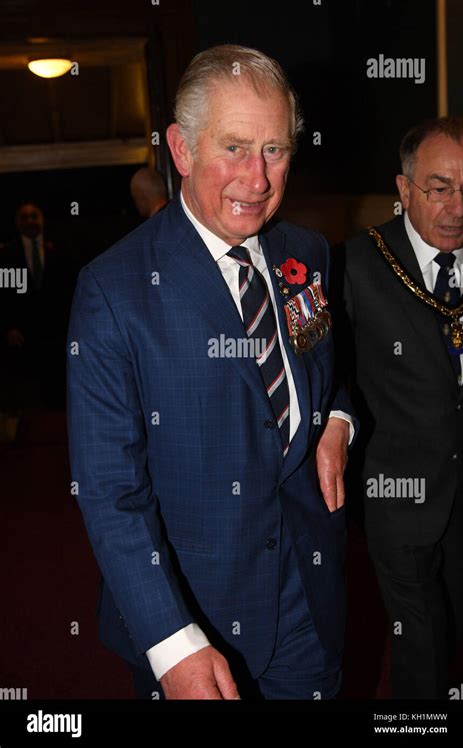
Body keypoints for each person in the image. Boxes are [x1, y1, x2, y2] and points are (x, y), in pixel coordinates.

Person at [67, 44, 354, 700]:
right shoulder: (113, 291)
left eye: (275, 150)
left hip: (310, 600)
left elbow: (327, 369)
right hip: (198, 620)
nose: (257, 179)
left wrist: (336, 418)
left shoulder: (305, 252)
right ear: (182, 149)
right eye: (234, 148)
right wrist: (173, 643)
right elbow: (109, 491)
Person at [336, 117, 463, 699]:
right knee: (419, 638)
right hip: (397, 496)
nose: (457, 207)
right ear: (403, 188)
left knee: (451, 631)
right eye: (439, 187)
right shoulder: (356, 265)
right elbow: (330, 378)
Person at [0, 202, 76, 410]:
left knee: (58, 398)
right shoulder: (7, 255)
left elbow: (68, 292)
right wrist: (9, 327)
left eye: (34, 216)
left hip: (56, 335)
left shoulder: (59, 249)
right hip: (23, 338)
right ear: (17, 222)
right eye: (25, 217)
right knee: (27, 399)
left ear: (42, 219)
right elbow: (5, 296)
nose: (30, 221)